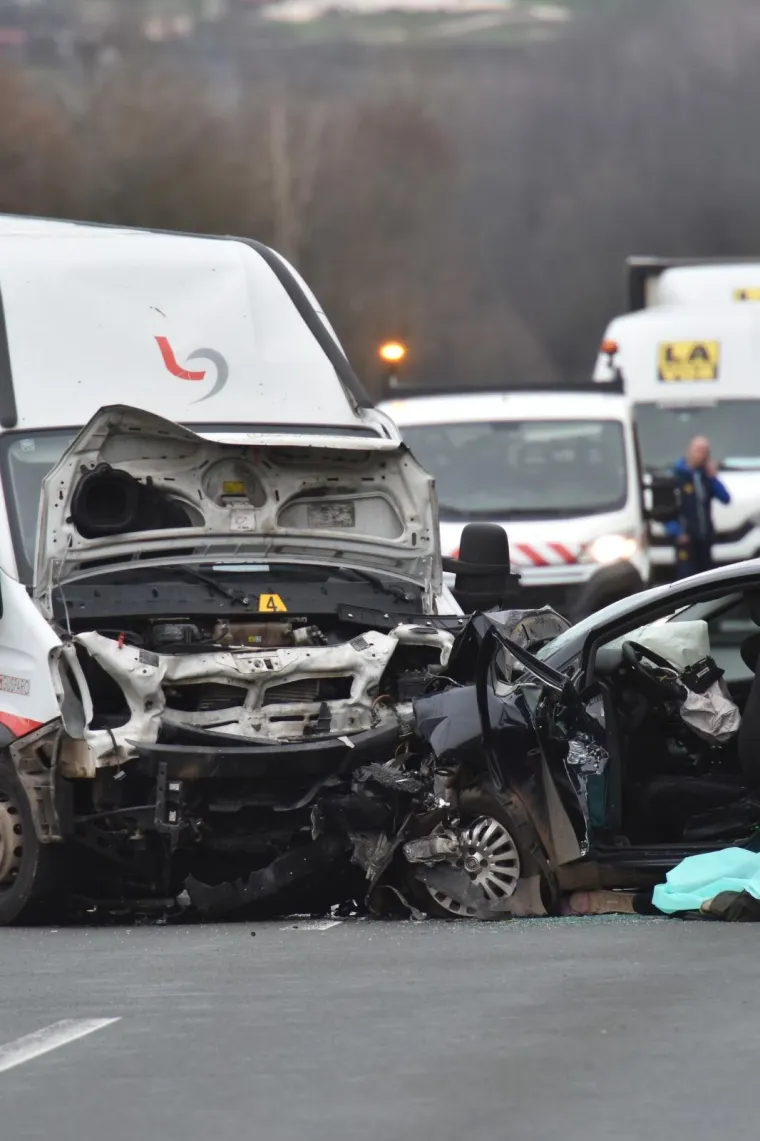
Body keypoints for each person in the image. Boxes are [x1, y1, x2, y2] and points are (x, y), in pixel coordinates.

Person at [666, 436, 731, 578]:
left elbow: (726, 499)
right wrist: (676, 532)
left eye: (705, 452)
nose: (702, 456)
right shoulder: (676, 476)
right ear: (689, 451)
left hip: (704, 538)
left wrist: (713, 477)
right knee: (686, 578)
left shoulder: (705, 477)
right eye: (699, 451)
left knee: (706, 578)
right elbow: (665, 510)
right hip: (685, 539)